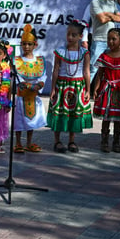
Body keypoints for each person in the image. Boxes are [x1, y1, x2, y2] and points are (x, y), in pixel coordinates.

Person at [47, 20, 92, 153]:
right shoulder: (60, 51)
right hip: (62, 85)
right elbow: (55, 70)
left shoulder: (84, 53)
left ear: (80, 36)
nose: (70, 37)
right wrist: (53, 88)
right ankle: (57, 140)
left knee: (73, 113)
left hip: (77, 86)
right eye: (68, 34)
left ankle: (72, 140)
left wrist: (88, 90)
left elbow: (86, 72)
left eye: (73, 35)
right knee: (59, 112)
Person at [93, 28, 120, 153]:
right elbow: (100, 75)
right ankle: (104, 141)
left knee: (118, 117)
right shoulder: (104, 56)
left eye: (114, 39)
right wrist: (96, 89)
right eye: (108, 39)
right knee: (106, 117)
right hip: (107, 89)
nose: (110, 42)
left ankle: (116, 142)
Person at [13, 24, 47, 153]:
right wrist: (26, 84)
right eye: (24, 44)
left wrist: (39, 85)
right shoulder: (17, 60)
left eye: (29, 44)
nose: (26, 47)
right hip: (22, 95)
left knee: (31, 122)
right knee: (19, 121)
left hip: (34, 95)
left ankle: (28, 142)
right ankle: (17, 143)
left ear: (35, 45)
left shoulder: (39, 61)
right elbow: (17, 77)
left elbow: (43, 76)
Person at [89, 0, 120, 80]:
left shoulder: (112, 4)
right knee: (94, 68)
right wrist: (112, 16)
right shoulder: (95, 2)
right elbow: (102, 19)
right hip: (99, 40)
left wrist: (109, 14)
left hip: (112, 42)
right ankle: (83, 92)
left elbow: (119, 19)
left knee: (111, 68)